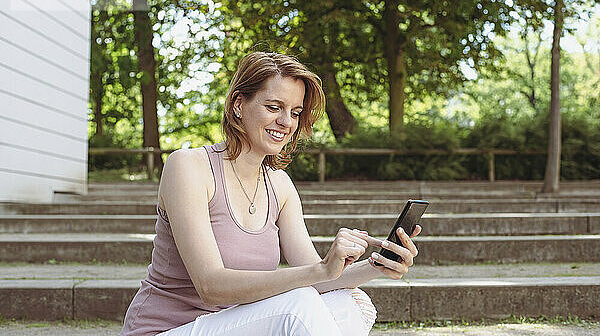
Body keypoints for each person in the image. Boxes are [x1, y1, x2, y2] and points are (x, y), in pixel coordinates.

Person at [120, 52, 422, 336]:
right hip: (168, 329)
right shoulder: (188, 166)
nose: (286, 122)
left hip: (234, 324)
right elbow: (211, 286)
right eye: (274, 107)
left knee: (351, 302)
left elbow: (321, 276)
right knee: (299, 303)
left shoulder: (279, 184)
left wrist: (376, 265)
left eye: (295, 112)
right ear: (238, 104)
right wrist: (319, 270)